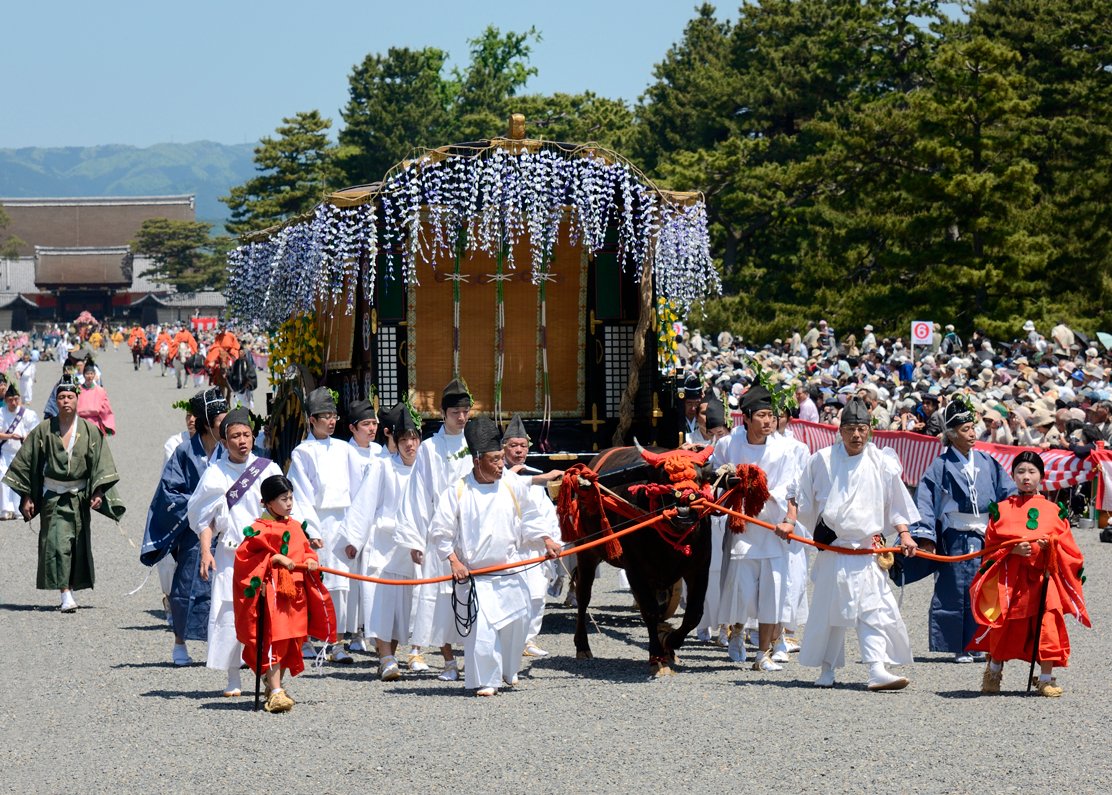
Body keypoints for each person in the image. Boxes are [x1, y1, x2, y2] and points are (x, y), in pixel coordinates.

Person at [793, 397, 920, 690]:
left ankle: (877, 669)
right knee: (830, 612)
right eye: (850, 428)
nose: (856, 435)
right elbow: (803, 500)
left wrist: (904, 533)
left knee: (873, 609)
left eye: (862, 428)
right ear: (840, 431)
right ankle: (827, 670)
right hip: (835, 547)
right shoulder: (821, 460)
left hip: (866, 550)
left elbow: (896, 504)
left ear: (870, 430)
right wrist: (797, 524)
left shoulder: (882, 462)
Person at [429, 416, 561, 696]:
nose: (502, 465)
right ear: (477, 460)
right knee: (484, 634)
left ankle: (507, 671)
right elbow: (440, 532)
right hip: (477, 576)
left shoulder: (512, 484)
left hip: (511, 571)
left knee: (517, 625)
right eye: (495, 460)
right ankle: (487, 681)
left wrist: (546, 540)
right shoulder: (458, 490)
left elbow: (531, 519)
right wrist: (454, 561)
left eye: (502, 458)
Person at [188, 408, 292, 696]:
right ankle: (233, 676)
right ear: (224, 441)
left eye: (246, 434)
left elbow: (285, 510)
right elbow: (205, 519)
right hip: (232, 555)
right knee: (230, 613)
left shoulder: (268, 469)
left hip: (266, 555)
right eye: (235, 436)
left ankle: (271, 676)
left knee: (268, 614)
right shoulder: (215, 474)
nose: (242, 440)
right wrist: (206, 551)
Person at [969, 451, 1090, 697]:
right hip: (1010, 578)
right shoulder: (1001, 510)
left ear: (1041, 477)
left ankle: (1046, 677)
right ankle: (993, 671)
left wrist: (1051, 549)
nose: (1026, 477)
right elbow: (990, 548)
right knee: (1003, 623)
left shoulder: (1054, 510)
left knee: (1049, 622)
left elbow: (1069, 548)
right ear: (1013, 476)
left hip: (1045, 578)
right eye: (1020, 472)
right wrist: (1012, 550)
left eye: (1032, 472)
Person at [2, 378, 125, 612]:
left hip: (78, 497)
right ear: (56, 401)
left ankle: (70, 586)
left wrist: (98, 491)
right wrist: (27, 495)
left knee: (75, 544)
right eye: (61, 397)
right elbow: (26, 462)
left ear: (77, 399)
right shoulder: (44, 430)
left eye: (70, 397)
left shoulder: (90, 431)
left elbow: (101, 464)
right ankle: (65, 593)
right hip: (52, 497)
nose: (66, 401)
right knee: (57, 544)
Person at [710, 385, 808, 670]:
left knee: (773, 591)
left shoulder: (784, 449)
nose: (768, 421)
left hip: (773, 528)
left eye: (771, 416)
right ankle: (737, 632)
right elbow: (715, 478)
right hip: (742, 528)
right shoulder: (729, 444)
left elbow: (792, 489)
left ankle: (761, 654)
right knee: (740, 589)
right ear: (747, 418)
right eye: (762, 416)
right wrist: (733, 487)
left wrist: (789, 520)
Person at [911, 398, 1016, 662]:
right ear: (951, 434)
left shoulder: (987, 461)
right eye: (964, 429)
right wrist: (925, 536)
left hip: (986, 534)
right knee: (956, 589)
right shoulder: (941, 464)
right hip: (956, 533)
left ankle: (982, 641)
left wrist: (1016, 521)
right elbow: (924, 500)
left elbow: (1008, 493)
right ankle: (960, 646)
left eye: (972, 427)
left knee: (985, 588)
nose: (971, 433)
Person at [233, 475, 335, 713]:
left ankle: (274, 684)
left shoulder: (296, 526)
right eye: (283, 498)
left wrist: (310, 560)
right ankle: (277, 690)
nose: (289, 503)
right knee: (274, 638)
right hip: (273, 596)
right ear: (267, 503)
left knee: (292, 639)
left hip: (295, 594)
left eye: (290, 498)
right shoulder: (258, 529)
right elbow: (245, 559)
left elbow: (307, 551)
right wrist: (274, 558)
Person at [141, 389, 226, 665]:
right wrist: (203, 509)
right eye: (220, 421)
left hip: (227, 530)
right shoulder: (184, 451)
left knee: (226, 588)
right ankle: (180, 642)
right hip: (194, 529)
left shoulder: (228, 450)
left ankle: (225, 644)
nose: (225, 426)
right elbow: (170, 492)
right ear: (206, 422)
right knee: (187, 585)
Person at [395, 378, 474, 679]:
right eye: (455, 411)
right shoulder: (429, 448)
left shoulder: (474, 442)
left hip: (471, 528)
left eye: (465, 410)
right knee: (440, 597)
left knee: (470, 593)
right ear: (443, 413)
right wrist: (415, 538)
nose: (461, 417)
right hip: (439, 530)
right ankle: (449, 662)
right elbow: (417, 493)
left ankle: (473, 658)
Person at [341, 404, 421, 681]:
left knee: (404, 606)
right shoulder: (382, 466)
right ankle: (385, 656)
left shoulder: (425, 469)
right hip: (383, 545)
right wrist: (355, 538)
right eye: (404, 439)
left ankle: (391, 655)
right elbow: (365, 502)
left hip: (412, 547)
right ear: (396, 442)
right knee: (381, 601)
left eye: (414, 438)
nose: (410, 444)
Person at [286, 387, 361, 662]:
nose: (330, 421)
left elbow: (357, 490)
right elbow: (301, 495)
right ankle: (305, 638)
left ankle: (337, 642)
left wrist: (354, 530)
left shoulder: (344, 449)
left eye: (333, 416)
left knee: (341, 585)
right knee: (311, 581)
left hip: (343, 521)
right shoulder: (302, 452)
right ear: (311, 420)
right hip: (317, 521)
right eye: (324, 416)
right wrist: (312, 530)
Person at [500, 412, 563, 659]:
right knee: (512, 598)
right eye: (513, 446)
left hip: (536, 546)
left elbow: (546, 512)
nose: (518, 451)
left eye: (523, 446)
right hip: (511, 547)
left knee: (537, 595)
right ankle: (509, 641)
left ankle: (529, 640)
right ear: (504, 448)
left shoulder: (535, 473)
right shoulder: (497, 475)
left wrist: (553, 539)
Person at [0, 384, 40, 521]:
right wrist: (10, 436)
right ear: (6, 400)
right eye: (10, 400)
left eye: (16, 399)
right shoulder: (1, 413)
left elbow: (36, 430)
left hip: (22, 453)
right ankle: (5, 509)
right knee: (3, 479)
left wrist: (27, 435)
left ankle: (18, 508)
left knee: (19, 480)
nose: (13, 402)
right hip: (6, 452)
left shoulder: (28, 414)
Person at [76, 361, 116, 436]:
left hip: (95, 423)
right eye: (87, 374)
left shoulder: (100, 391)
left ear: (94, 375)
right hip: (80, 422)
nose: (89, 376)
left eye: (91, 374)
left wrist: (108, 426)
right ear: (84, 375)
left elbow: (106, 409)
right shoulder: (78, 389)